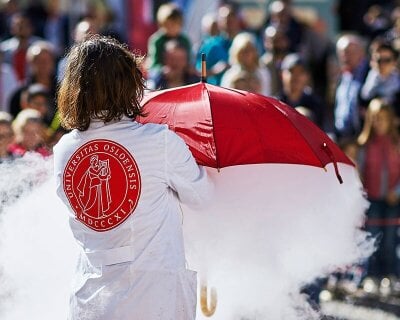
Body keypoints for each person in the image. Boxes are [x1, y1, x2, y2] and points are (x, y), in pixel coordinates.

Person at [53, 36, 212, 320]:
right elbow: (203, 198)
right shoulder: (159, 141)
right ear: (128, 84)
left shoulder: (64, 149)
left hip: (92, 300)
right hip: (154, 297)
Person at [357, 98, 400, 279]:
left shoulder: (397, 143)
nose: (379, 122)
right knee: (372, 237)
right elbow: (359, 171)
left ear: (391, 120)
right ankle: (371, 275)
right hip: (372, 199)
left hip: (393, 199)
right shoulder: (365, 145)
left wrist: (396, 192)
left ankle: (391, 274)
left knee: (390, 239)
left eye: (383, 118)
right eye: (375, 118)